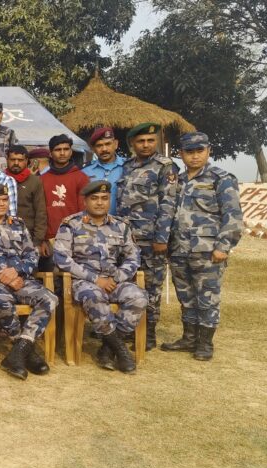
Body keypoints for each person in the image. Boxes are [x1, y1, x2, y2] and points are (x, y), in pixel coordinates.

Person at [0, 183, 57, 379]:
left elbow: (32, 254)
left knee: (49, 298)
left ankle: (19, 350)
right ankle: (25, 351)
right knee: (2, 301)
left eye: (4, 200)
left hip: (20, 278)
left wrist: (17, 271)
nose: (1, 204)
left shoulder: (18, 224)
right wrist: (1, 274)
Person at [163, 132, 243, 360]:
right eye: (189, 152)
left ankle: (205, 344)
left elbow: (233, 216)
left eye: (200, 151)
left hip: (207, 251)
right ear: (181, 154)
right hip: (179, 250)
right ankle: (189, 338)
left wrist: (223, 246)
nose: (195, 156)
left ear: (209, 151)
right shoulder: (176, 180)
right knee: (186, 297)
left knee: (207, 298)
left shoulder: (221, 179)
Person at [54, 181, 147, 374]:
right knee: (94, 296)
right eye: (94, 198)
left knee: (139, 297)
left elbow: (133, 256)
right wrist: (95, 279)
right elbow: (62, 259)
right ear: (85, 201)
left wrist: (118, 278)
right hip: (84, 282)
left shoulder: (121, 226)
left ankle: (107, 348)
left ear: (109, 200)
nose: (99, 203)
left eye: (104, 198)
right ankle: (120, 350)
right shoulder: (71, 224)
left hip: (114, 281)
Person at [116, 122, 178, 351]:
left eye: (150, 140)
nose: (146, 145)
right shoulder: (127, 166)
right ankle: (128, 328)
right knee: (128, 285)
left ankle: (148, 334)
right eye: (141, 141)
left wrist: (161, 238)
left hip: (151, 240)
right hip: (126, 240)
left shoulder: (165, 167)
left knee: (151, 288)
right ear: (133, 143)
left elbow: (168, 204)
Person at [39, 134, 89, 271]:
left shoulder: (81, 178)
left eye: (66, 149)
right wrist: (42, 240)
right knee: (52, 278)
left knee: (75, 277)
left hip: (75, 239)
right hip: (50, 240)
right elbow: (39, 212)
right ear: (50, 153)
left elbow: (84, 212)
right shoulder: (42, 180)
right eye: (58, 149)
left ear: (71, 152)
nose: (62, 153)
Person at [5, 145, 48, 251]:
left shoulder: (34, 182)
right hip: (4, 236)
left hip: (28, 237)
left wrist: (38, 241)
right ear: (7, 160)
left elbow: (40, 212)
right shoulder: (1, 180)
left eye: (20, 160)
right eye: (13, 159)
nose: (16, 163)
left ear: (26, 161)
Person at [82, 127, 126, 215]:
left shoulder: (129, 167)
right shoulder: (85, 172)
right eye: (99, 145)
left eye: (108, 144)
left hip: (122, 222)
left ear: (115, 144)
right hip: (92, 222)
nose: (104, 149)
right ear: (93, 149)